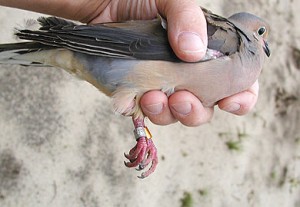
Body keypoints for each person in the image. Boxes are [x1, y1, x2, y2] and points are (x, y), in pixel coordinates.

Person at [0, 0, 259, 127]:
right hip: (115, 54)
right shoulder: (229, 41)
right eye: (261, 34)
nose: (263, 47)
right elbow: (139, 45)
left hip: (124, 79)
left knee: (146, 103)